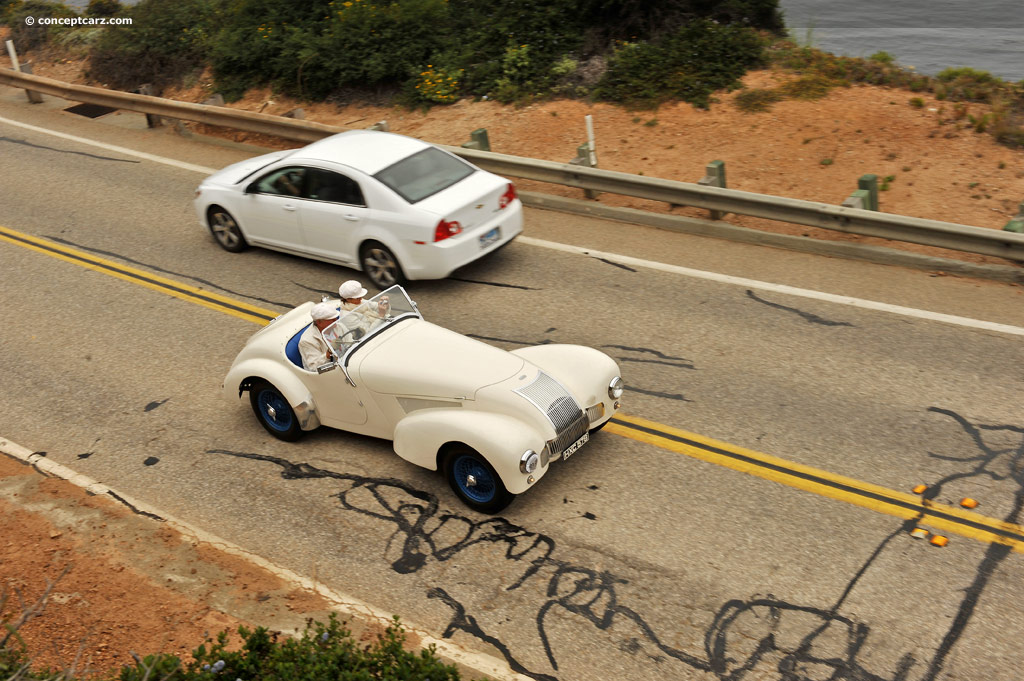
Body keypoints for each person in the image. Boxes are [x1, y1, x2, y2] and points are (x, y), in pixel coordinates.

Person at [298, 302, 340, 371]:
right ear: (319, 322)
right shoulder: (307, 341)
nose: (336, 321)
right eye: (331, 319)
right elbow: (314, 368)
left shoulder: (335, 325)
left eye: (335, 318)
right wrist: (328, 353)